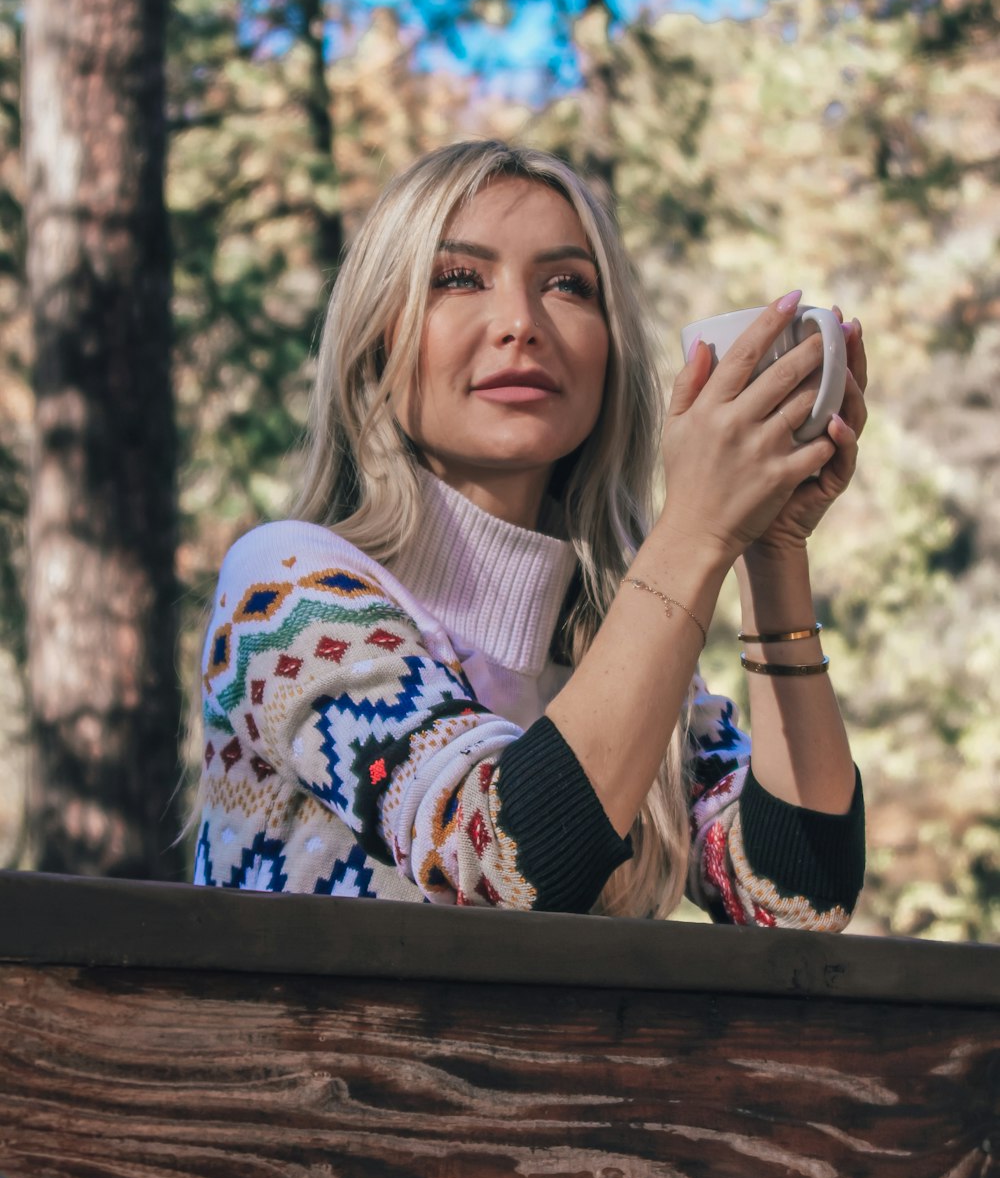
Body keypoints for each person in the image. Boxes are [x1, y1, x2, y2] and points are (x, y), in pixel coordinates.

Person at [192, 139, 866, 931]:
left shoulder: (615, 643)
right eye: (458, 279)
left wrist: (770, 546)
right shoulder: (286, 591)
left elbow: (793, 900)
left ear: (610, 354)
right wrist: (696, 528)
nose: (521, 323)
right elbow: (498, 862)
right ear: (377, 341)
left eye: (567, 286)